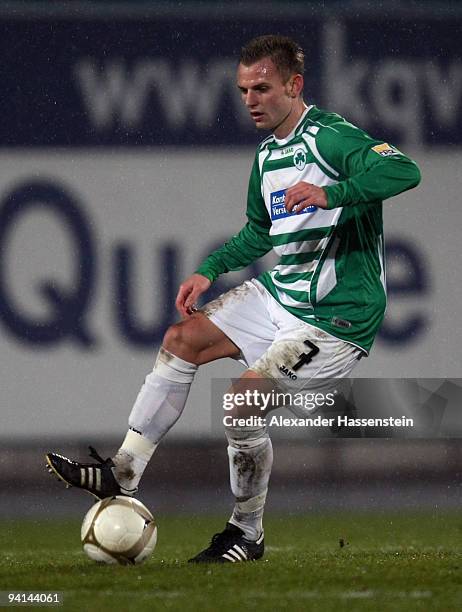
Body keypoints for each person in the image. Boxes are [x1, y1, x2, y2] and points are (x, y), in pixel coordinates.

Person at [46, 34, 421, 563]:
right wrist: (209, 269)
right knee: (182, 339)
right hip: (280, 298)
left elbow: (405, 169)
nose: (250, 100)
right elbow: (259, 232)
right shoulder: (268, 154)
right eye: (243, 90)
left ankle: (246, 533)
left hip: (335, 319)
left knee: (242, 404)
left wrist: (332, 192)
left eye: (263, 88)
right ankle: (123, 470)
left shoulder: (332, 138)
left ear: (295, 86)